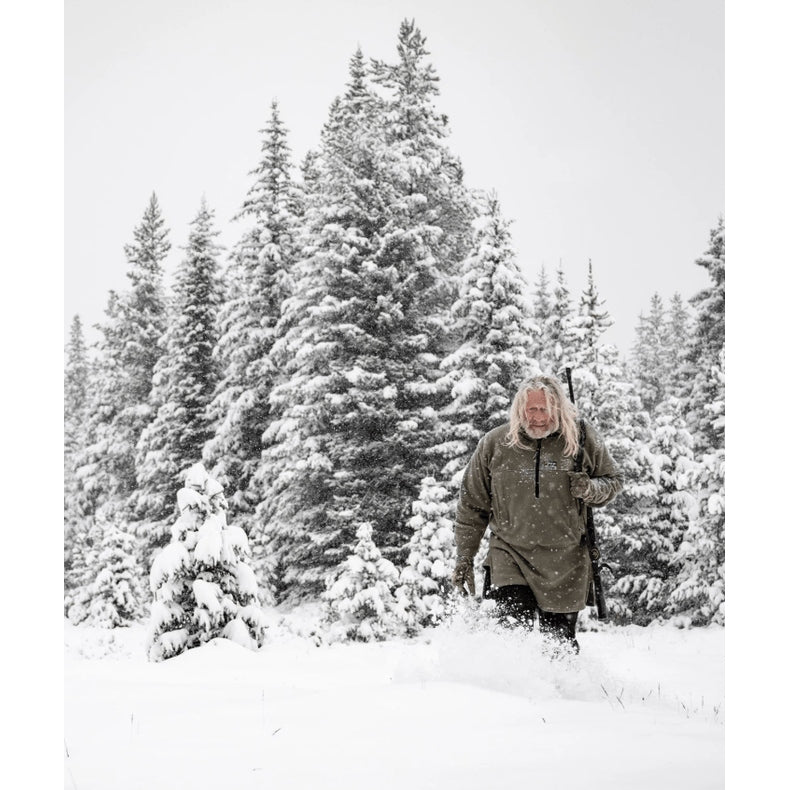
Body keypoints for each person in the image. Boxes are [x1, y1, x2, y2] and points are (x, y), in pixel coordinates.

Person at [452, 374, 624, 651]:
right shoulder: (495, 443)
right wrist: (464, 557)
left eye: (544, 409)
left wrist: (589, 488)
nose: (538, 417)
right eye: (531, 409)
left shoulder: (581, 438)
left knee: (559, 646)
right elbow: (472, 505)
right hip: (510, 554)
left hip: (565, 561)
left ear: (558, 408)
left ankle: (559, 691)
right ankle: (506, 691)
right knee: (510, 635)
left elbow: (613, 480)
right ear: (519, 409)